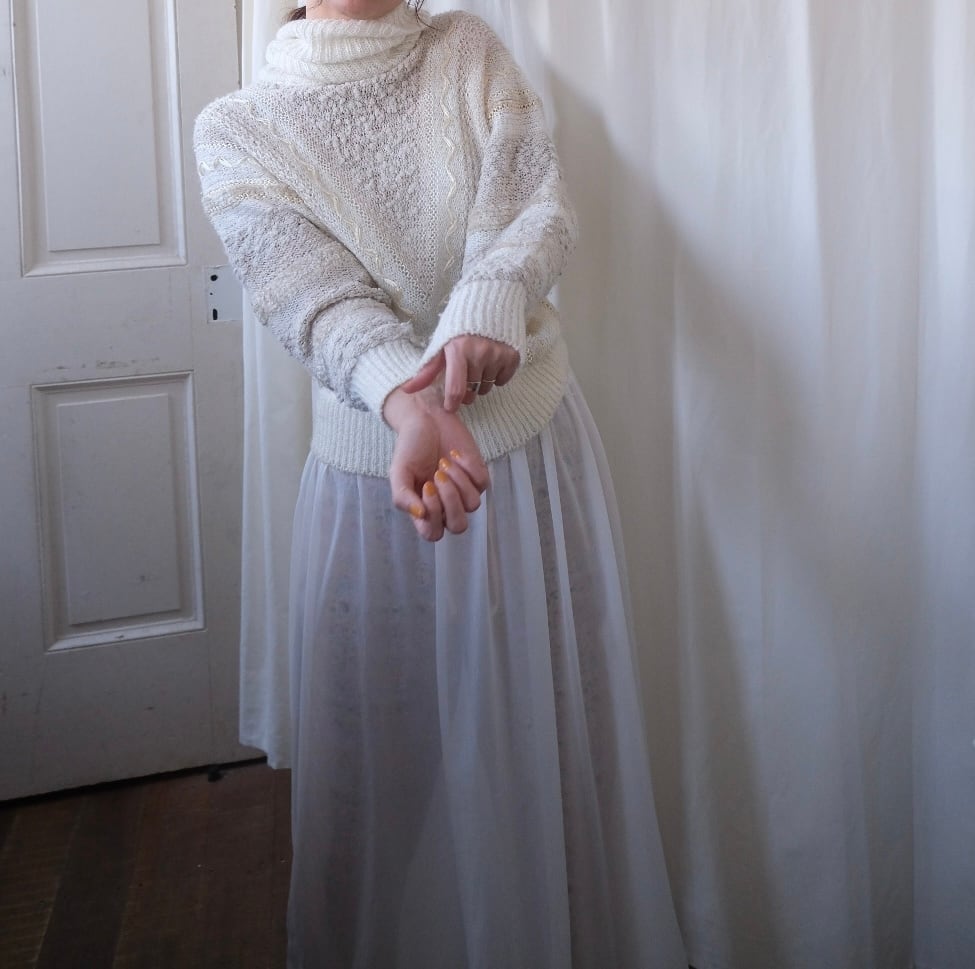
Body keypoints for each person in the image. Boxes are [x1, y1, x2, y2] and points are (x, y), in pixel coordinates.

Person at [195, 2, 687, 966]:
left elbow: (533, 204)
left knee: (558, 745)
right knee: (384, 778)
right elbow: (313, 301)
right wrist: (407, 400)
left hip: (535, 453)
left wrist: (481, 313)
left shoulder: (467, 49)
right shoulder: (238, 127)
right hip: (376, 483)